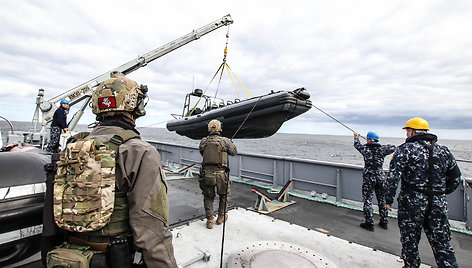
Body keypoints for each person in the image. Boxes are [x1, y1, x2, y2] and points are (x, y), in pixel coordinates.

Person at [43, 72, 178, 267]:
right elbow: (151, 229)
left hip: (66, 257)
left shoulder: (73, 147)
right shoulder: (139, 151)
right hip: (114, 258)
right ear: (134, 105)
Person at [385, 117, 462, 268]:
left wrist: (388, 199)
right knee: (442, 243)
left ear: (412, 131)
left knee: (410, 240)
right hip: (438, 204)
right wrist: (441, 193)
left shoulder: (405, 149)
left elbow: (393, 177)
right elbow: (456, 177)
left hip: (412, 204)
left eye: (407, 131)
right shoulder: (443, 151)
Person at [199, 119, 237, 229]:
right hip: (221, 175)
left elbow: (202, 153)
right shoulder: (225, 141)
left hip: (206, 174)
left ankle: (209, 220)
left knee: (208, 197)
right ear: (220, 128)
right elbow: (234, 152)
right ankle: (221, 217)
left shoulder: (203, 141)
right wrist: (231, 144)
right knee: (224, 196)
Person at [354, 131, 396, 231]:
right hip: (380, 177)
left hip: (369, 177)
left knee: (367, 200)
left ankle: (369, 223)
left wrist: (356, 137)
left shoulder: (365, 149)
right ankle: (384, 221)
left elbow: (357, 145)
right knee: (382, 200)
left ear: (368, 139)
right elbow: (393, 147)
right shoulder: (382, 149)